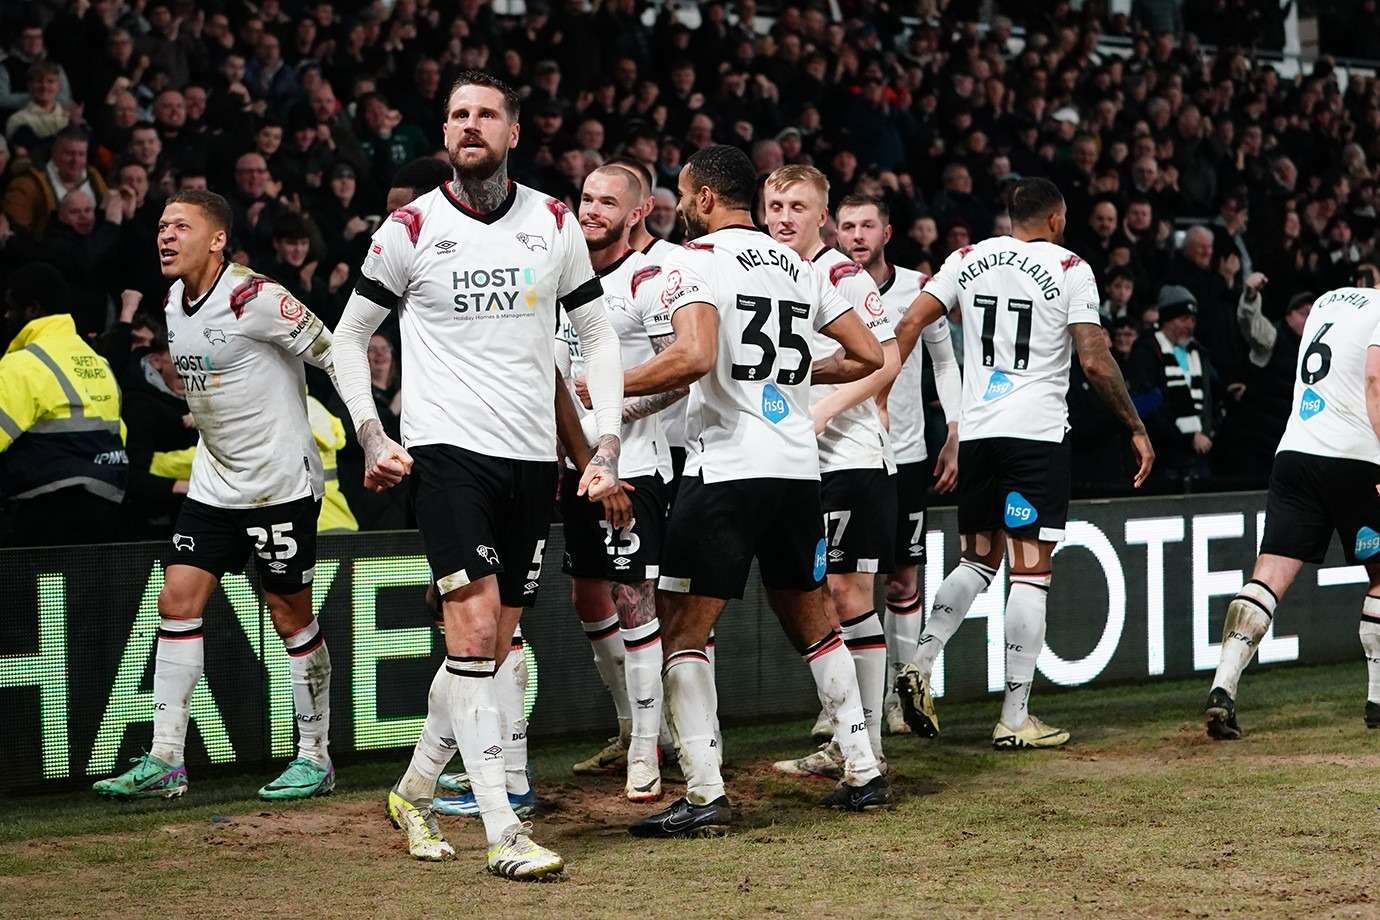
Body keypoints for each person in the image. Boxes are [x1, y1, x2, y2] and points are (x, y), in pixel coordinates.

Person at [330, 71, 626, 880]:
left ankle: (414, 788)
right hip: (445, 456)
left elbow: (596, 332)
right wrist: (369, 431)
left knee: (491, 646)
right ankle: (504, 832)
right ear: (446, 132)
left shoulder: (553, 221)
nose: (469, 125)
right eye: (458, 114)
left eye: (485, 114)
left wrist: (604, 442)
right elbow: (347, 339)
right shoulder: (409, 227)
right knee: (472, 626)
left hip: (532, 462)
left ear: (513, 133)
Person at [620, 144, 889, 838]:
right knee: (816, 623)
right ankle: (864, 772)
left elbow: (696, 356)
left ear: (705, 198)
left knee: (682, 627)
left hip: (727, 469)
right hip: (797, 468)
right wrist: (795, 384)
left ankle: (705, 793)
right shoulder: (800, 266)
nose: (680, 207)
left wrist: (605, 385)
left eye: (683, 194)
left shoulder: (695, 261)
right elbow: (867, 356)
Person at [91, 189, 337, 802]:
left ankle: (316, 756)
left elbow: (336, 353)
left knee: (289, 616)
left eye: (181, 226)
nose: (165, 236)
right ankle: (166, 758)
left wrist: (374, 431)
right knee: (177, 601)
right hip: (214, 481)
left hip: (278, 484)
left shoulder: (258, 298)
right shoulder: (174, 300)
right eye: (162, 225)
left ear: (218, 238)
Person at [891, 177, 1153, 750]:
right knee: (1031, 572)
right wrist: (1133, 425)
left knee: (977, 560)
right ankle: (1014, 717)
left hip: (979, 435)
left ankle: (919, 659)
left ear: (1011, 217)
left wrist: (883, 389)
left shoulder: (968, 257)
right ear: (1057, 220)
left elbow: (910, 323)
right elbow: (1094, 356)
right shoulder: (1069, 268)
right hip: (1034, 435)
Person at [761, 166, 900, 778]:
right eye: (774, 205)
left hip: (853, 458)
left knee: (846, 595)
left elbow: (887, 358)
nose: (783, 217)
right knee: (815, 598)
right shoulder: (767, 270)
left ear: (822, 218)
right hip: (797, 465)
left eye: (796, 207)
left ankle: (867, 745)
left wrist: (822, 411)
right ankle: (846, 736)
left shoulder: (840, 274)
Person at [1204, 275, 1380, 739]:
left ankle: (1224, 687)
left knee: (1267, 576)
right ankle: (1378, 699)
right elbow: (1375, 382)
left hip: (1296, 453)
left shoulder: (1323, 304)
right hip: (1355, 458)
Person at [557, 163, 685, 801]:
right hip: (572, 465)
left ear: (639, 212)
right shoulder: (562, 274)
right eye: (587, 199)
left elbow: (677, 377)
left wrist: (606, 413)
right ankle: (629, 725)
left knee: (636, 602)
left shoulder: (651, 276)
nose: (592, 211)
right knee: (588, 598)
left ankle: (648, 749)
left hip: (634, 468)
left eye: (608, 203)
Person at [834, 193, 961, 737]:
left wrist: (955, 430)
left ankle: (898, 697)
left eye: (867, 226)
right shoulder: (824, 285)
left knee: (901, 581)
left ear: (887, 232)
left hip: (905, 456)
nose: (857, 235)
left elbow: (944, 361)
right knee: (840, 585)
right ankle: (842, 701)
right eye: (847, 226)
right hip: (841, 454)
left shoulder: (917, 288)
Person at [0, 263, 127, 547]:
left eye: (10, 307)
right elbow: (119, 432)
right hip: (106, 502)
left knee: (40, 591)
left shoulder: (22, 365)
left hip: (44, 511)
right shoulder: (96, 361)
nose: (6, 316)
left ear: (32, 310)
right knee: (91, 591)